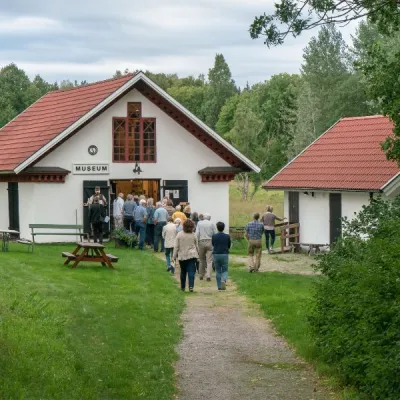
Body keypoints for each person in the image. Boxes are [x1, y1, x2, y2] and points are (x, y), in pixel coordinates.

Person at [173, 219, 199, 292]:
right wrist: (199, 254)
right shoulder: (194, 235)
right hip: (192, 255)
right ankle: (191, 286)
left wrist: (174, 257)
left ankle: (182, 287)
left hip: (182, 256)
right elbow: (197, 246)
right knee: (191, 271)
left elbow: (176, 246)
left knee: (183, 272)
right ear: (192, 227)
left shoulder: (179, 234)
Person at [196, 213, 217, 281]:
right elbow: (215, 233)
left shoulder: (199, 223)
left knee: (201, 259)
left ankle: (201, 275)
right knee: (209, 260)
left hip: (201, 241)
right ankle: (208, 275)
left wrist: (197, 242)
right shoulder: (211, 223)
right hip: (210, 241)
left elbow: (197, 233)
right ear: (209, 218)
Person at [212, 221, 231, 291]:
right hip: (224, 254)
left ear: (217, 228)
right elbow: (229, 245)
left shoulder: (214, 236)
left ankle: (219, 286)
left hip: (216, 254)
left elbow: (213, 244)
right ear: (223, 228)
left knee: (217, 270)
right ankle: (223, 280)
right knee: (225, 270)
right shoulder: (227, 236)